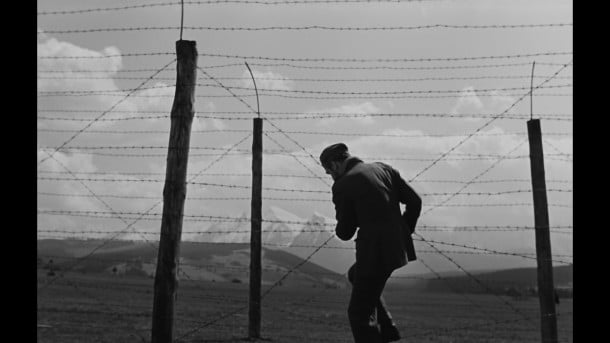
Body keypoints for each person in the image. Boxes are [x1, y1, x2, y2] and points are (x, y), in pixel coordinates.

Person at [320, 143, 422, 343]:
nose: (330, 175)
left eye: (328, 171)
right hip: (397, 249)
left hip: (374, 252)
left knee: (358, 314)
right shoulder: (383, 169)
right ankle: (388, 329)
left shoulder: (343, 184)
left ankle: (383, 333)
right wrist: (403, 232)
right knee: (355, 274)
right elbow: (415, 202)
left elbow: (345, 232)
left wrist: (342, 223)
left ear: (334, 164)